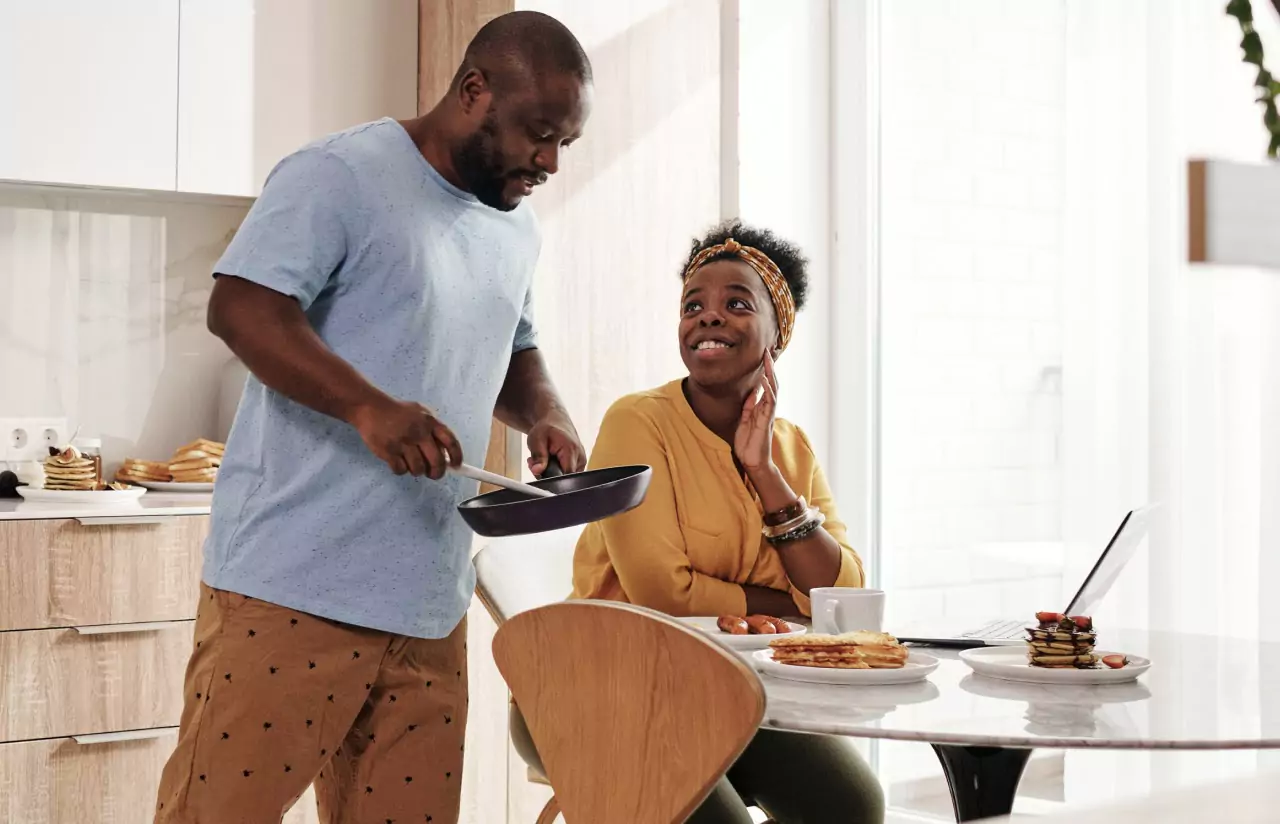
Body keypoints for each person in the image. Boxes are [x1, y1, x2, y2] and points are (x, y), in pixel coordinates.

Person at [153, 12, 592, 824]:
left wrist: (546, 414)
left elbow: (515, 345)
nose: (550, 161)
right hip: (291, 592)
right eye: (539, 133)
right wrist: (367, 407)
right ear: (474, 91)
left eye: (565, 141)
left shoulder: (516, 230)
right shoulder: (340, 175)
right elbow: (242, 307)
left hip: (428, 606)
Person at [570, 220, 885, 823]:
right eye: (694, 306)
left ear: (776, 333)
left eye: (736, 304)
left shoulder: (791, 447)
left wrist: (764, 472)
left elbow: (843, 599)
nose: (707, 318)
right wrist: (786, 609)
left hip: (735, 691)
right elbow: (663, 593)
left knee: (853, 806)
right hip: (605, 685)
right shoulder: (636, 422)